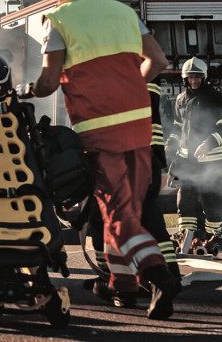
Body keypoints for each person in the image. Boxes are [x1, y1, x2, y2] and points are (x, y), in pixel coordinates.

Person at [20, 0, 181, 320]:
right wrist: (132, 90)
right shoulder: (123, 12)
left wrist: (24, 90)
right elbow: (157, 60)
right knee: (126, 212)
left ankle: (157, 274)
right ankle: (121, 287)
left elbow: (47, 82)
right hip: (140, 126)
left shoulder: (59, 20)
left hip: (100, 130)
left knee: (118, 214)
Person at [85, 77, 182, 307]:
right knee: (145, 214)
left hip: (123, 153)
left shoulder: (118, 68)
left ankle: (130, 284)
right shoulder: (144, 64)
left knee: (111, 218)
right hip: (148, 155)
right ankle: (165, 276)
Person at [167, 57, 222, 256]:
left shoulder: (215, 98)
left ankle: (214, 238)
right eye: (190, 77)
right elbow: (178, 128)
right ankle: (186, 235)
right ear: (184, 79)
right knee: (184, 199)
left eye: (197, 77)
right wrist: (171, 142)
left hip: (211, 161)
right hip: (185, 161)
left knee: (210, 199)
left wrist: (209, 143)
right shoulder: (180, 100)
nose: (194, 81)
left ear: (204, 78)